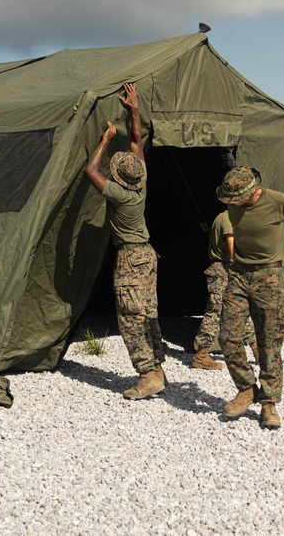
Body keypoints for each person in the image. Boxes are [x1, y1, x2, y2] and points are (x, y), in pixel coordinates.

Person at [85, 82, 166, 400]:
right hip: (148, 256)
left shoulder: (119, 195)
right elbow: (136, 139)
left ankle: (147, 375)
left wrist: (105, 140)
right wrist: (133, 108)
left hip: (132, 259)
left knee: (131, 317)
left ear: (118, 176)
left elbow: (90, 169)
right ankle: (157, 369)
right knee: (148, 312)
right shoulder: (141, 180)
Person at [215, 166, 284, 429]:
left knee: (269, 341)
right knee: (228, 336)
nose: (233, 203)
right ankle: (246, 389)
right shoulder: (234, 201)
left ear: (254, 191)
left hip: (269, 276)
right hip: (239, 274)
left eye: (238, 197)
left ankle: (269, 403)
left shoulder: (275, 200)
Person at [191, 210, 259, 370]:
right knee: (214, 312)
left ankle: (256, 350)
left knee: (240, 309)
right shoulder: (227, 219)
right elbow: (233, 249)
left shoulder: (232, 216)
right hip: (223, 270)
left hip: (229, 269)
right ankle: (201, 355)